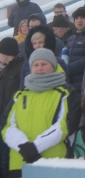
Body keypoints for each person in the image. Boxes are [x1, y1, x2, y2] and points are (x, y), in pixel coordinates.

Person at [2, 48, 80, 178]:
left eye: (44, 64)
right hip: (19, 162)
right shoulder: (20, 94)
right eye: (35, 65)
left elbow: (66, 124)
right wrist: (24, 146)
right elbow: (7, 125)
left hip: (54, 161)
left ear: (53, 66)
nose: (39, 68)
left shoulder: (66, 92)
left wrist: (36, 147)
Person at [19, 24, 69, 89]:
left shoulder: (59, 62)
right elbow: (22, 88)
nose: (37, 46)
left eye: (40, 42)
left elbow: (66, 85)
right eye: (34, 43)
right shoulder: (26, 64)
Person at [0, 38, 23, 177]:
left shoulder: (20, 68)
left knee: (6, 160)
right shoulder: (5, 69)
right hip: (3, 120)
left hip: (11, 122)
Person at [66, 7, 85, 92]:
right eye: (77, 18)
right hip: (71, 82)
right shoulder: (70, 39)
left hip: (84, 80)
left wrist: (68, 69)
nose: (79, 20)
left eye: (82, 18)